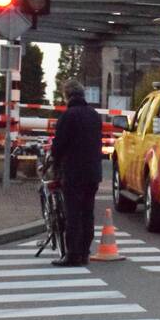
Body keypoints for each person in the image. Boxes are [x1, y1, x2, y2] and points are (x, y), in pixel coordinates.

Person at [50, 79, 103, 266]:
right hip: (93, 172)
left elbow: (59, 145)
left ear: (67, 96)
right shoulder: (94, 115)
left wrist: (54, 162)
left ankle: (72, 254)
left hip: (74, 171)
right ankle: (85, 252)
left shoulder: (68, 116)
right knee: (87, 212)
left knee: (72, 212)